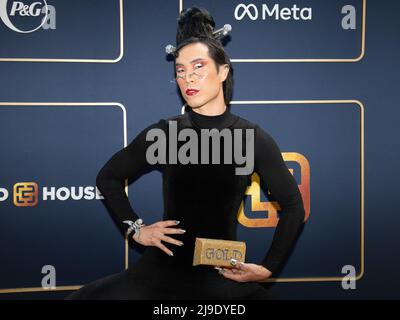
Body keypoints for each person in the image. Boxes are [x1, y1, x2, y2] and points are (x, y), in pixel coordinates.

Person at [66, 7, 305, 300]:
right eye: (180, 70)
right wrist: (136, 229)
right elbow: (108, 177)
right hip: (157, 277)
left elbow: (294, 206)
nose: (188, 78)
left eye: (199, 66)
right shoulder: (166, 133)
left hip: (221, 280)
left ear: (223, 71)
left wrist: (268, 267)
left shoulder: (251, 139)